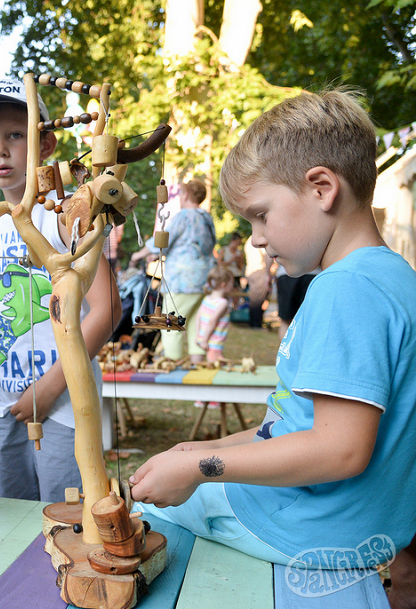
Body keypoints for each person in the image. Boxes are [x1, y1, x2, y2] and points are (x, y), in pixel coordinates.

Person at [128, 89, 416, 575]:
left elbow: (337, 449)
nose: (256, 237)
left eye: (261, 214)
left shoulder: (344, 289)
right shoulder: (392, 276)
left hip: (310, 527)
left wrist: (199, 469)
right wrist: (208, 448)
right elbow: (295, 427)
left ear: (322, 188)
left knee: (144, 513)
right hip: (358, 524)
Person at [0, 77, 118, 502]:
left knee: (64, 518)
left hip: (63, 404)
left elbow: (106, 310)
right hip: (0, 401)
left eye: (15, 134)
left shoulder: (68, 214)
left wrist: (49, 389)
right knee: (5, 514)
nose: (1, 149)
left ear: (45, 145)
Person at [130, 178, 215, 363]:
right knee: (195, 325)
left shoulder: (184, 216)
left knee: (170, 324)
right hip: (204, 279)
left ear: (185, 194)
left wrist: (139, 254)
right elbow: (193, 246)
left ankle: (171, 367)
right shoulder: (206, 218)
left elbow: (162, 240)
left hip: (183, 281)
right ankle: (197, 368)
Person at [193, 266, 234, 409]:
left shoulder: (207, 299)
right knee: (215, 369)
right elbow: (212, 321)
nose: (232, 286)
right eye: (231, 283)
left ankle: (204, 397)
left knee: (209, 367)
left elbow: (198, 317)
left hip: (204, 339)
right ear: (223, 284)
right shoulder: (222, 303)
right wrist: (204, 340)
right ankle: (211, 398)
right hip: (214, 342)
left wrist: (199, 336)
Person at [274, 264, 318, 341]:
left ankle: (285, 351)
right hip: (314, 273)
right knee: (310, 321)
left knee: (286, 320)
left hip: (286, 274)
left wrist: (266, 273)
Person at [243, 234, 271, 329]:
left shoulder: (249, 240)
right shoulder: (259, 239)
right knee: (258, 299)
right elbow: (267, 255)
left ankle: (256, 322)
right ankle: (255, 324)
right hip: (259, 271)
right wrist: (268, 272)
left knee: (256, 298)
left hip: (251, 271)